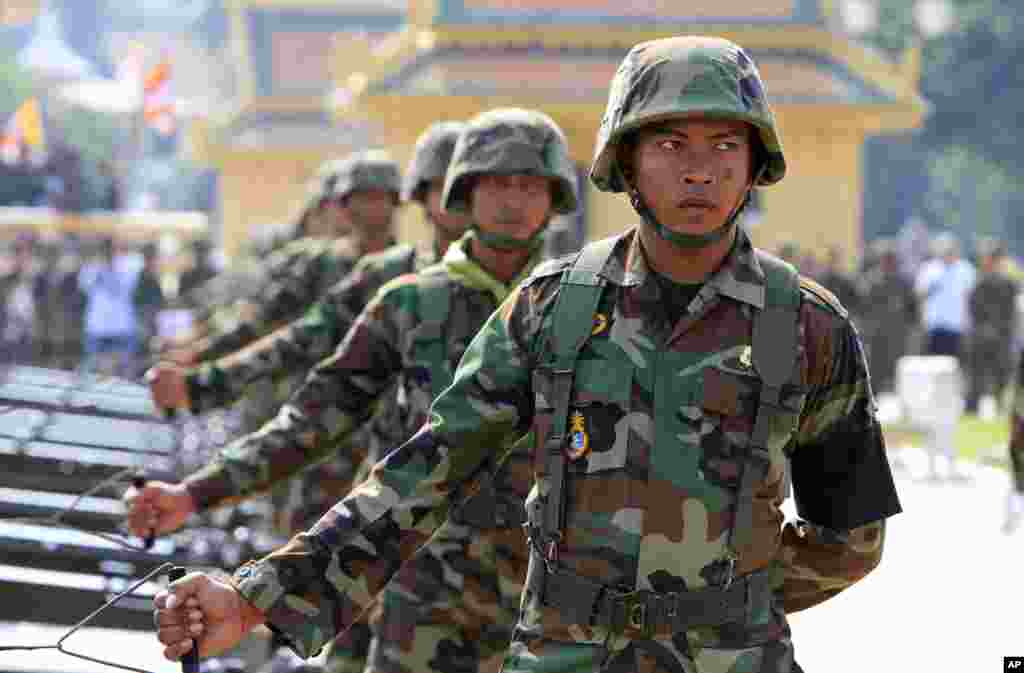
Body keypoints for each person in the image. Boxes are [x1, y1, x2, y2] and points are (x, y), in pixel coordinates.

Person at [150, 37, 901, 673]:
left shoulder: (806, 325)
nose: (699, 169)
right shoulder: (554, 309)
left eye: (724, 144)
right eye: (671, 143)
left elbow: (853, 538)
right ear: (626, 162)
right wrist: (254, 596)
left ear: (754, 162)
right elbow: (421, 477)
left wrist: (723, 594)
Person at [132, 109, 575, 673]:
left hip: (549, 601)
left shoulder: (583, 307)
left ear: (555, 196)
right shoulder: (410, 301)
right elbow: (312, 412)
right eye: (497, 183)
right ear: (462, 193)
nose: (514, 200)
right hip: (416, 584)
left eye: (531, 185)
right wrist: (196, 492)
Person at [966, 237, 1017, 414]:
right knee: (976, 378)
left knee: (1001, 376)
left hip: (1001, 337)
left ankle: (1000, 408)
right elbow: (972, 310)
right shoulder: (977, 282)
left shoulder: (1009, 284)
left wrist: (1000, 330)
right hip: (981, 337)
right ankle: (971, 410)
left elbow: (1011, 312)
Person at [78, 236, 142, 377]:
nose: (109, 252)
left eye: (111, 248)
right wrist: (100, 267)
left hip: (122, 328)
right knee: (96, 374)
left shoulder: (130, 265)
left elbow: (124, 287)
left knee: (125, 374)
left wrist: (110, 268)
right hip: (97, 328)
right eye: (105, 249)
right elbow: (84, 286)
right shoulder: (91, 267)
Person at [860, 239, 918, 393]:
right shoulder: (871, 281)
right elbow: (863, 309)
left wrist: (910, 331)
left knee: (899, 374)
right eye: (886, 259)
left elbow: (913, 310)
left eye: (891, 259)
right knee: (875, 375)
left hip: (898, 336)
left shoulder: (904, 282)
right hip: (877, 337)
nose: (889, 263)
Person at [914, 232, 976, 360]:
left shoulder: (966, 269)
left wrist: (968, 323)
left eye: (950, 248)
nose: (947, 252)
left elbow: (970, 298)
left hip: (956, 326)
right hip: (934, 326)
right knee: (933, 363)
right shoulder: (928, 269)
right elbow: (920, 296)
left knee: (956, 364)